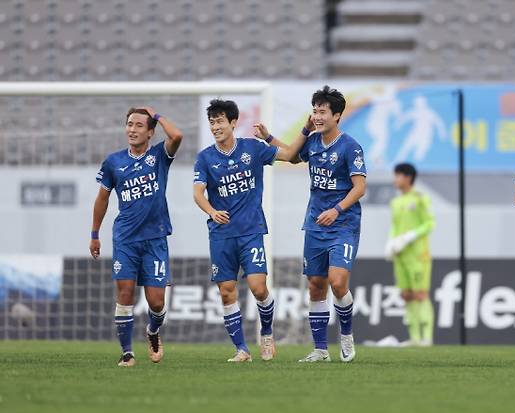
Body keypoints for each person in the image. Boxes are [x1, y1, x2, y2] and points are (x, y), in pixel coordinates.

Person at [255, 85, 367, 362]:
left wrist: (337, 210)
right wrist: (270, 137)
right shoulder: (313, 141)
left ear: (337, 115)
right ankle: (320, 350)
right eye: (314, 111)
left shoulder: (351, 146)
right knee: (316, 285)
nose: (317, 116)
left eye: (323, 111)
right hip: (315, 224)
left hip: (343, 223)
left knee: (338, 282)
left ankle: (347, 336)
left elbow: (360, 187)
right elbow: (291, 156)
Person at [193, 99, 303, 362]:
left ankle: (266, 333)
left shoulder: (253, 148)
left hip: (251, 230)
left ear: (233, 122)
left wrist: (271, 137)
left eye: (219, 121)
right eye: (211, 122)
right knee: (226, 291)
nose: (215, 126)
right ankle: (242, 349)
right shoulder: (205, 158)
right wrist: (211, 211)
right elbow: (198, 193)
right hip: (221, 234)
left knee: (258, 287)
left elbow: (291, 156)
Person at [90, 106, 183, 367]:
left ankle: (153, 332)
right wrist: (95, 233)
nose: (132, 129)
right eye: (129, 124)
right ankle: (127, 352)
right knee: (126, 292)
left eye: (139, 125)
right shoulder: (113, 162)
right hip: (125, 238)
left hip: (155, 239)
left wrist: (159, 115)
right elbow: (102, 199)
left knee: (156, 302)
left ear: (151, 132)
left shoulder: (159, 156)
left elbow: (177, 136)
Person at [385, 163, 435, 346]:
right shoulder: (395, 202)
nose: (395, 180)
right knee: (406, 295)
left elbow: (429, 223)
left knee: (421, 294)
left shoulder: (421, 198)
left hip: (418, 255)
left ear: (408, 177)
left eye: (398, 175)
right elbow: (395, 226)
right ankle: (414, 337)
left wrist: (410, 236)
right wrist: (390, 242)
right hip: (401, 255)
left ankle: (427, 337)